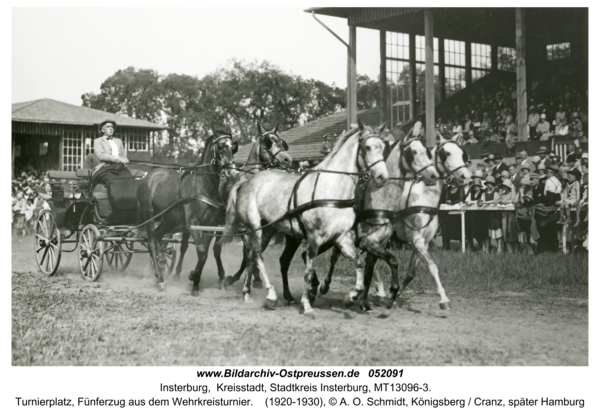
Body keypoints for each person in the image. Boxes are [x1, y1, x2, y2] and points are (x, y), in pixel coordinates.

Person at [91, 119, 132, 188]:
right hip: (105, 168)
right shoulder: (98, 141)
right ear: (102, 130)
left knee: (130, 180)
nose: (111, 128)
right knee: (113, 182)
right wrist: (117, 158)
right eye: (108, 127)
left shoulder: (118, 141)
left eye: (112, 127)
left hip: (120, 167)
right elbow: (101, 155)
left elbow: (123, 155)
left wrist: (124, 159)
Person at [479, 175, 503, 254]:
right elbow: (482, 201)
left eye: (490, 183)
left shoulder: (496, 192)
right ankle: (488, 248)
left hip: (495, 214)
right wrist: (483, 203)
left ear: (492, 184)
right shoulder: (484, 193)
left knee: (497, 231)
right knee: (488, 232)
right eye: (487, 183)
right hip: (487, 214)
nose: (488, 185)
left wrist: (485, 203)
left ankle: (499, 248)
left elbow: (495, 201)